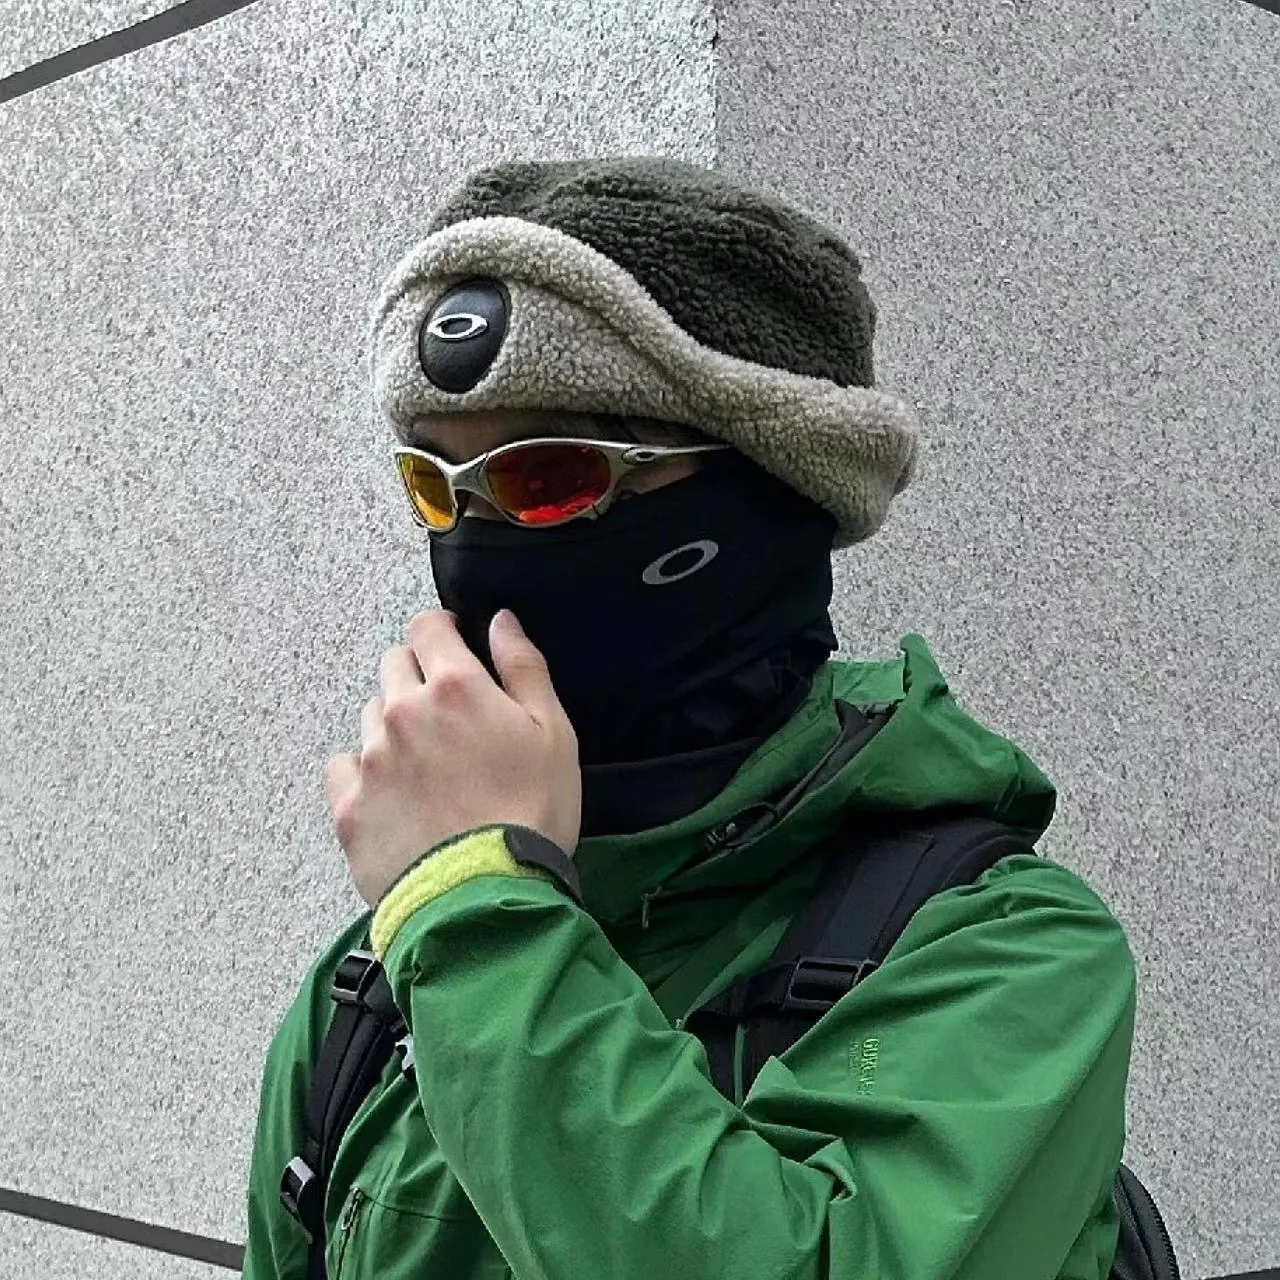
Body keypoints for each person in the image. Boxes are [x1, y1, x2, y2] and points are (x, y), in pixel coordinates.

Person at [241, 156, 1136, 1280]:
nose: (476, 545)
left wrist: (476, 908)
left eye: (550, 478)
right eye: (438, 486)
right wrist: (457, 905)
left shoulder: (1002, 949)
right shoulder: (370, 992)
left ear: (765, 494)